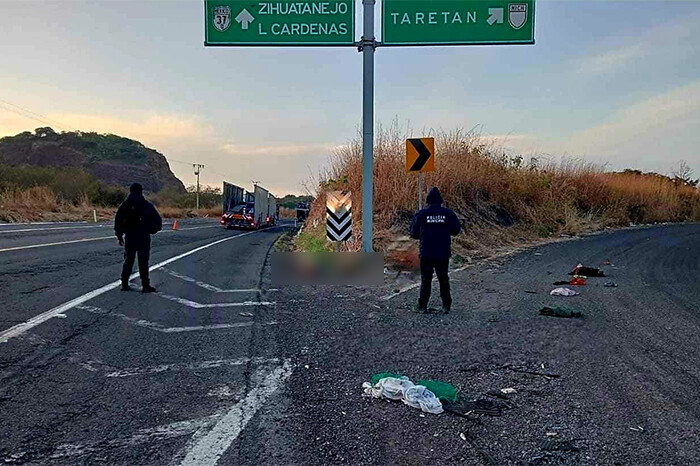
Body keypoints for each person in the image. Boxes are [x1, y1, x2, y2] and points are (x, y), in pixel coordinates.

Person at [410, 187, 461, 314]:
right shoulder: (448, 213)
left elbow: (413, 233)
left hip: (426, 252)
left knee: (426, 280)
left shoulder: (421, 214)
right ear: (441, 200)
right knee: (443, 279)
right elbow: (456, 230)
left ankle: (422, 306)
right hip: (442, 252)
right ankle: (446, 306)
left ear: (427, 200)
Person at [114, 183, 162, 292]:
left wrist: (119, 235)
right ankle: (145, 285)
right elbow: (157, 221)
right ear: (141, 191)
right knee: (143, 260)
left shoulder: (125, 205)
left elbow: (118, 220)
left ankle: (124, 283)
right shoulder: (146, 205)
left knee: (128, 260)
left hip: (130, 236)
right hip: (143, 236)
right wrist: (152, 230)